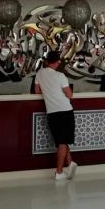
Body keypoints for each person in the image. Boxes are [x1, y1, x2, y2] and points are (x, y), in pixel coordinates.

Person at [35, 51, 77, 181]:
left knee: (61, 141)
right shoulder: (60, 76)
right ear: (58, 62)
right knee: (63, 142)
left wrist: (49, 92)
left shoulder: (40, 73)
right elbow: (70, 95)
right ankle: (59, 172)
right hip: (65, 111)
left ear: (47, 61)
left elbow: (37, 91)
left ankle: (70, 163)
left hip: (51, 112)